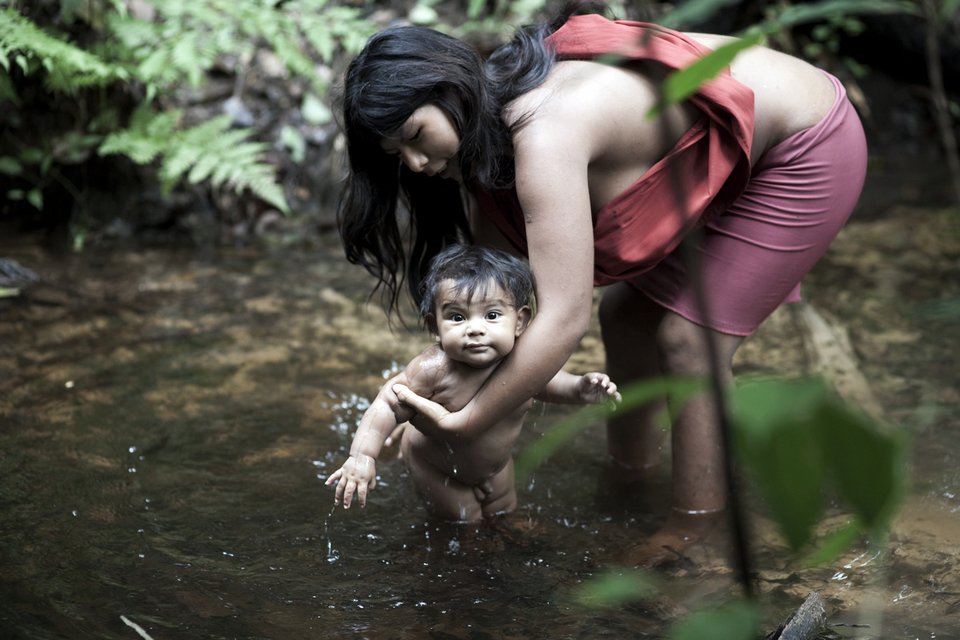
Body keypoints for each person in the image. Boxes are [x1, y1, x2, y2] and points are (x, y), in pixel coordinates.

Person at [335, 2, 867, 560]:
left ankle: (695, 528)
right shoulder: (485, 149)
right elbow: (502, 306)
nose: (416, 164)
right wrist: (417, 409)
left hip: (802, 143)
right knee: (626, 317)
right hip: (714, 155)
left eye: (416, 135)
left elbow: (563, 318)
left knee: (690, 342)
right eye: (399, 155)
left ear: (450, 90)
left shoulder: (542, 133)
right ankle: (628, 481)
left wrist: (467, 421)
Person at [326, 243, 621, 522]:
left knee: (505, 514)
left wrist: (580, 389)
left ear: (520, 321)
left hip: (495, 468)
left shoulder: (523, 361)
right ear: (434, 327)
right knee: (464, 525)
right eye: (457, 317)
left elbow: (547, 384)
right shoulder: (434, 369)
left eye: (492, 315)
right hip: (437, 468)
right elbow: (388, 402)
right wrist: (362, 455)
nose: (475, 329)